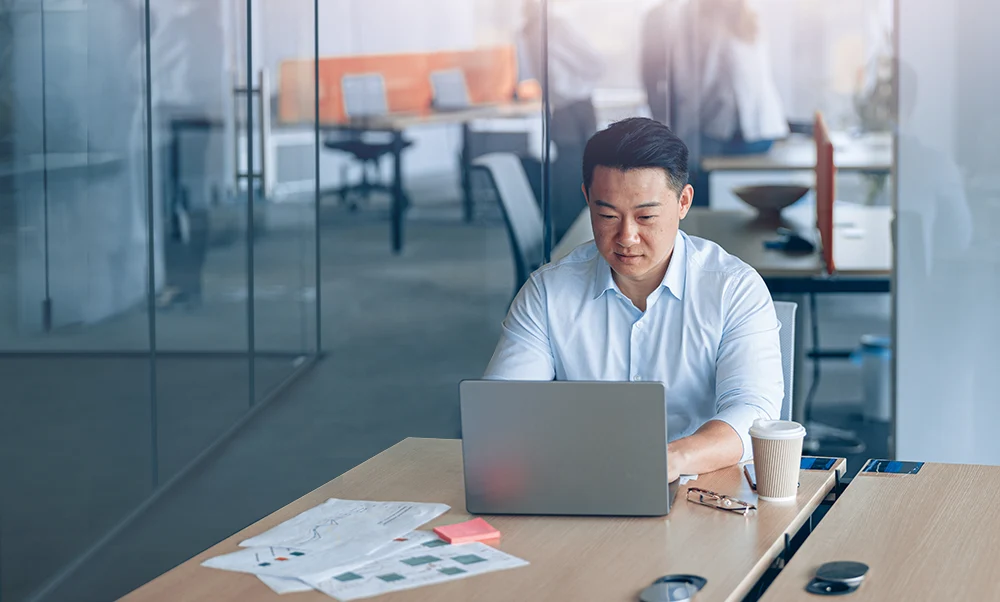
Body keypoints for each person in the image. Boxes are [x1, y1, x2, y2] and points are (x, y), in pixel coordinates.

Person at [484, 118, 782, 482]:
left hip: (704, 491)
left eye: (646, 216)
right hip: (581, 483)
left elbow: (754, 412)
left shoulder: (733, 288)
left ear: (683, 201)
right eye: (607, 215)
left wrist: (670, 460)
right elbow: (502, 412)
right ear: (587, 200)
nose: (626, 236)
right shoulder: (548, 292)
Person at [641, 0, 789, 205]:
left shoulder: (724, 20)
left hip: (736, 136)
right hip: (756, 134)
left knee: (689, 181)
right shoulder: (741, 18)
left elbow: (696, 88)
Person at [520, 0, 605, 240]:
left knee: (580, 168)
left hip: (576, 105)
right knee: (568, 169)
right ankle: (568, 233)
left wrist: (572, 79)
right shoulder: (529, 32)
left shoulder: (557, 28)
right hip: (561, 107)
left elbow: (596, 63)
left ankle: (577, 231)